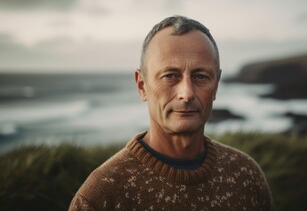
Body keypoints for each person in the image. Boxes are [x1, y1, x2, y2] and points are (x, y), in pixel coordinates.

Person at [69, 15, 273, 211]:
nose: (187, 93)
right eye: (170, 76)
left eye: (200, 76)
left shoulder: (246, 175)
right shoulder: (101, 196)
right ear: (142, 85)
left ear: (216, 85)